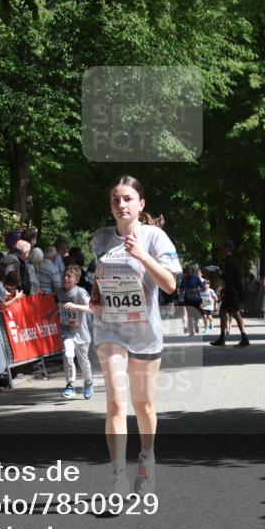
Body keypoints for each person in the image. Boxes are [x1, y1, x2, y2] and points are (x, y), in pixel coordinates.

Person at [90, 176, 181, 497]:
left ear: (140, 205)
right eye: (115, 199)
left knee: (142, 405)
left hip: (144, 333)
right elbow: (98, 280)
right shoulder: (100, 240)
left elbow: (170, 285)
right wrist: (95, 297)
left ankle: (146, 457)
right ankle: (117, 478)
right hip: (110, 329)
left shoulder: (155, 237)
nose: (121, 205)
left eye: (127, 198)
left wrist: (143, 256)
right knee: (115, 402)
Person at [57, 264, 94, 400]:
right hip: (67, 331)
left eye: (69, 276)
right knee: (68, 355)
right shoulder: (60, 292)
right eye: (64, 276)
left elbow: (92, 308)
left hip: (82, 333)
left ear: (76, 280)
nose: (65, 278)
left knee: (83, 362)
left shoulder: (80, 292)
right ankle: (70, 385)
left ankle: (88, 382)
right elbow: (62, 308)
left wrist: (76, 306)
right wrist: (52, 313)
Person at [210, 240, 249, 347]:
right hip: (230, 292)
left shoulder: (231, 261)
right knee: (223, 313)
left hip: (233, 293)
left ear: (228, 248)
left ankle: (244, 338)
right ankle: (222, 338)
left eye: (223, 248)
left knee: (236, 314)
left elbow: (234, 278)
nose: (222, 250)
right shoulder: (230, 261)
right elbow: (231, 278)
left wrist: (220, 273)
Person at [178, 264, 205, 335]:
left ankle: (196, 325)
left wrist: (196, 290)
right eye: (187, 270)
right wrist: (182, 291)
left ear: (192, 271)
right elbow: (180, 288)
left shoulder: (196, 277)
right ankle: (191, 330)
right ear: (185, 271)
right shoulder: (184, 279)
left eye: (190, 270)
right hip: (187, 299)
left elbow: (203, 287)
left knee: (196, 314)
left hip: (196, 299)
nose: (188, 271)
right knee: (189, 314)